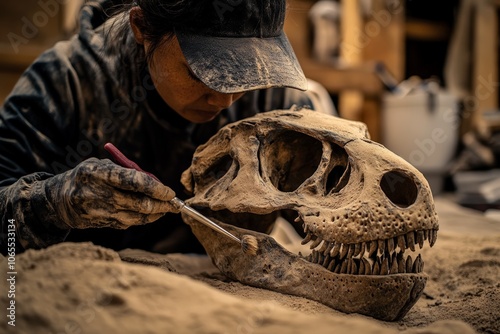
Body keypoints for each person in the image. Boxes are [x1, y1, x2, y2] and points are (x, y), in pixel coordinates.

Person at [0, 0, 313, 255]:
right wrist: (55, 202)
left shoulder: (273, 98)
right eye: (201, 73)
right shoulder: (64, 84)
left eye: (247, 73)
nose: (226, 98)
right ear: (142, 27)